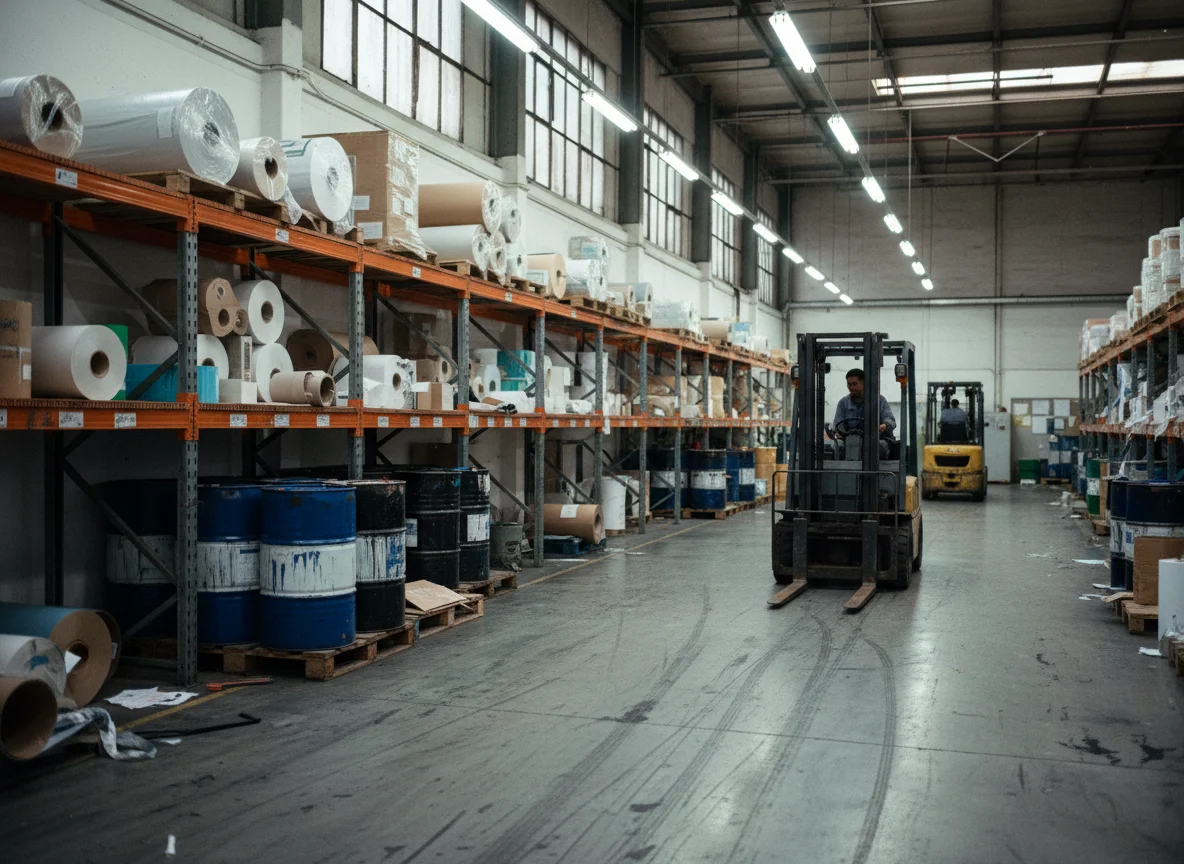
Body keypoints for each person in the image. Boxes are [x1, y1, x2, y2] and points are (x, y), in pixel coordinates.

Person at [831, 369, 896, 438]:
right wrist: (839, 433)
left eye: (854, 384)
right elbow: (838, 425)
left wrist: (885, 425)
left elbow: (890, 419)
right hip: (851, 440)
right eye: (849, 384)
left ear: (864, 383)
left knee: (882, 446)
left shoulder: (879, 400)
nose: (851, 387)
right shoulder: (843, 403)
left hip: (876, 439)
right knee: (838, 446)